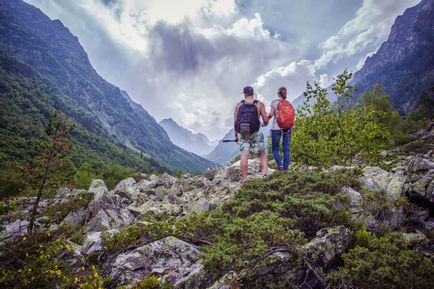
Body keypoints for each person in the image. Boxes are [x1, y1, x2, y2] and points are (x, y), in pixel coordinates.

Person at [234, 86, 269, 183]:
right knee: (262, 153)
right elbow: (266, 120)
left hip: (242, 133)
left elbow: (235, 122)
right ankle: (265, 173)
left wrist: (236, 136)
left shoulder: (238, 105)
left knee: (244, 154)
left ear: (244, 94)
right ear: (253, 93)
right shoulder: (259, 104)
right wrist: (264, 124)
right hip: (255, 132)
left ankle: (245, 178)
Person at [267, 86, 295, 170]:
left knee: (275, 149)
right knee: (286, 149)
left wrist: (266, 121)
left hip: (276, 128)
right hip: (288, 128)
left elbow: (271, 114)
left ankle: (280, 165)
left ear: (278, 94)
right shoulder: (289, 104)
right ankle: (285, 169)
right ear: (285, 94)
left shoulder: (275, 102)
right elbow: (293, 116)